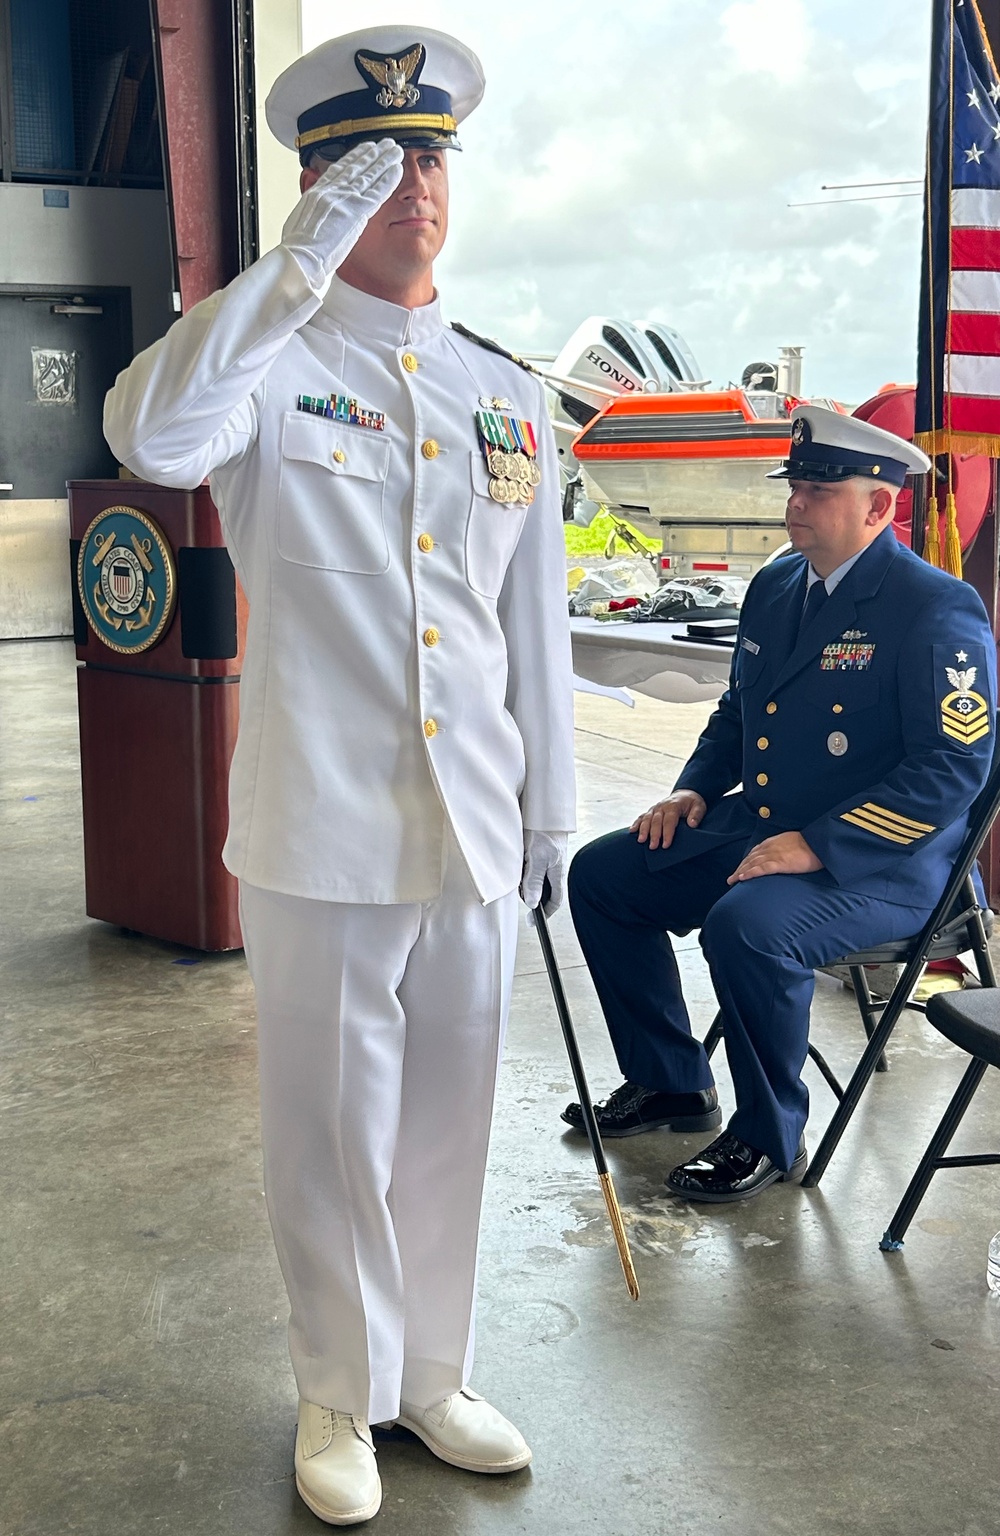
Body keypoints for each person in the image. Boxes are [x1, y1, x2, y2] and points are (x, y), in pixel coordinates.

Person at [104, 26, 575, 1527]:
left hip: (476, 828)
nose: (412, 188)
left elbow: (534, 634)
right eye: (371, 168)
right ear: (316, 188)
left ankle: (429, 1375)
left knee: (449, 1115)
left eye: (432, 157)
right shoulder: (265, 366)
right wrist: (284, 273)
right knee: (327, 1124)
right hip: (321, 826)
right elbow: (151, 435)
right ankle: (335, 1390)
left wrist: (553, 813)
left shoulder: (507, 396)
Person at [565, 407, 995, 1204]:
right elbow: (738, 712)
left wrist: (819, 844)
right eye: (795, 485)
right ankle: (671, 1083)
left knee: (748, 928)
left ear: (879, 506)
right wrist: (693, 787)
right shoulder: (773, 585)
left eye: (820, 489)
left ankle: (767, 1135)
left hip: (885, 863)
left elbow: (952, 769)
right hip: (765, 830)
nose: (796, 504)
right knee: (602, 875)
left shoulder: (934, 608)